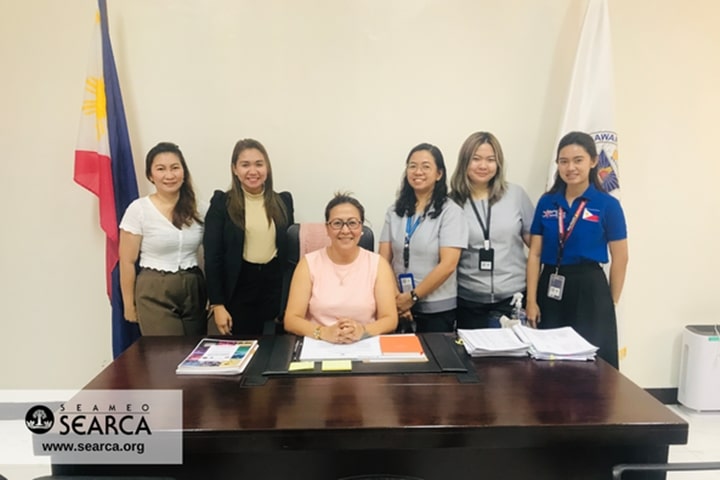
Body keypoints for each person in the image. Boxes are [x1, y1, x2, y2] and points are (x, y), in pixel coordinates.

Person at [526, 131, 628, 368]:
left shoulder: (608, 205)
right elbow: (535, 254)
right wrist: (531, 300)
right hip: (550, 285)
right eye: (564, 161)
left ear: (593, 161)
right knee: (548, 360)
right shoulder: (547, 202)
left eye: (578, 160)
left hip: (590, 287)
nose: (570, 167)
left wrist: (609, 302)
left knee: (591, 364)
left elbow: (621, 257)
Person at [204, 138, 294, 335]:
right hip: (238, 290)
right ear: (235, 169)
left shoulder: (283, 202)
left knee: (275, 352)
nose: (253, 171)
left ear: (267, 168)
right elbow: (213, 257)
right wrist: (217, 304)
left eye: (259, 164)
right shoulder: (222, 204)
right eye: (245, 165)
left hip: (274, 290)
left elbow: (288, 256)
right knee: (244, 354)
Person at [118, 142, 207, 335]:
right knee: (166, 355)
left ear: (184, 171)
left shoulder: (199, 208)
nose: (169, 175)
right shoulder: (139, 209)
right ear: (151, 175)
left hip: (194, 288)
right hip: (154, 289)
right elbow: (127, 261)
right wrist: (128, 304)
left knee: (194, 355)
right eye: (161, 169)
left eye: (175, 168)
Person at [284, 193, 398, 342]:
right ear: (327, 228)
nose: (345, 230)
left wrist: (361, 331)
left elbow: (390, 319)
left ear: (361, 227)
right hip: (319, 344)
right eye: (337, 223)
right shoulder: (308, 264)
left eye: (352, 223)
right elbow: (291, 320)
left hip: (364, 344)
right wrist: (324, 332)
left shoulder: (378, 264)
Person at [379, 143, 468, 333]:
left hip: (437, 308)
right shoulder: (394, 211)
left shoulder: (451, 212)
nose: (418, 171)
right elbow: (383, 260)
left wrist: (412, 297)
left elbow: (448, 265)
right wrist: (397, 298)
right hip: (397, 305)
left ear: (439, 174)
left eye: (426, 166)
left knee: (435, 360)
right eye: (412, 166)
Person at [449, 132, 534, 328]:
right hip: (469, 301)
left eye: (490, 160)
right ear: (464, 163)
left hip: (513, 299)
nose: (483, 166)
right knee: (470, 358)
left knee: (513, 358)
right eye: (476, 159)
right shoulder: (452, 203)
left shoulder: (516, 195)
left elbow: (537, 248)